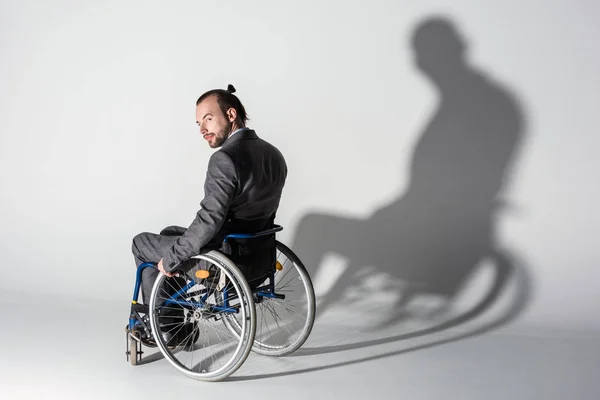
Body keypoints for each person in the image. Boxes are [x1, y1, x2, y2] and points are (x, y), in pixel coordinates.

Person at [130, 84, 287, 344]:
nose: (203, 129)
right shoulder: (273, 155)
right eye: (198, 123)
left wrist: (171, 260)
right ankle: (177, 323)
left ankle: (167, 327)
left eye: (209, 118)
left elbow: (210, 220)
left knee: (141, 243)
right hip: (258, 256)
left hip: (226, 259)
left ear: (231, 115)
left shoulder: (224, 159)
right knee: (170, 232)